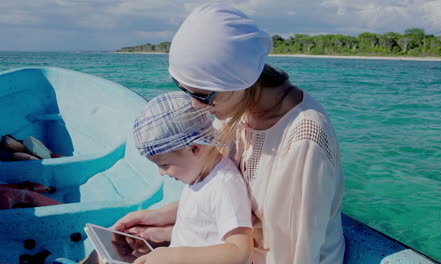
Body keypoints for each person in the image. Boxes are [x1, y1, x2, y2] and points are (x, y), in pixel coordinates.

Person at [114, 3, 345, 264]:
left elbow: (290, 255)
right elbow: (224, 197)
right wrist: (160, 220)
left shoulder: (303, 140)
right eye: (184, 89)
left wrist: (177, 253)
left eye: (202, 95)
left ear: (238, 81)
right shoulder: (235, 110)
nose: (195, 105)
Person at [117, 91, 252, 263]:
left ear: (194, 149)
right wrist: (158, 221)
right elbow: (201, 217)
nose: (162, 173)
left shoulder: (225, 185)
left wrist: (172, 256)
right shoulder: (201, 175)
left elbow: (240, 253)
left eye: (164, 165)